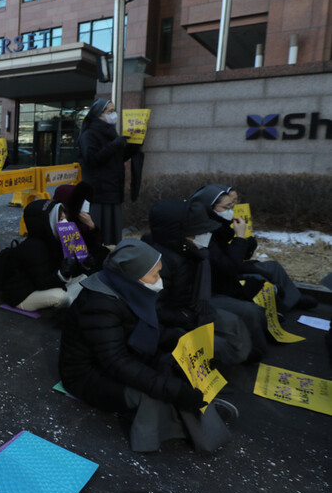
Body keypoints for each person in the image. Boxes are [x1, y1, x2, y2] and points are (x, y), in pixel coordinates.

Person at [59, 239, 236, 453]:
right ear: (133, 276)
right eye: (155, 275)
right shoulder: (99, 305)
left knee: (171, 365)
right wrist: (171, 390)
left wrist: (176, 339)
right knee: (155, 394)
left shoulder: (123, 287)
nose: (159, 281)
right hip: (86, 376)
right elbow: (116, 362)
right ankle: (196, 422)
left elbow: (139, 328)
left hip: (116, 357)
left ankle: (200, 410)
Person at [143, 200, 264, 365]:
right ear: (176, 233)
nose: (204, 235)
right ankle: (228, 367)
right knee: (220, 343)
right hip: (179, 318)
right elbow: (156, 310)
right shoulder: (159, 263)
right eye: (196, 232)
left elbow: (222, 267)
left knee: (238, 319)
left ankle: (244, 352)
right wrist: (188, 318)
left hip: (196, 304)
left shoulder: (193, 251)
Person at [190, 184, 318, 312]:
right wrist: (239, 237)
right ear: (209, 208)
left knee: (273, 267)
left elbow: (239, 256)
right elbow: (228, 266)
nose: (231, 211)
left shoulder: (220, 225)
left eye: (233, 205)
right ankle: (278, 308)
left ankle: (292, 299)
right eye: (226, 207)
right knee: (259, 278)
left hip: (230, 268)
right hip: (219, 281)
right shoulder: (202, 233)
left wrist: (246, 240)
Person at [0, 199, 90, 312]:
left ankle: (70, 302)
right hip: (23, 295)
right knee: (61, 296)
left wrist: (82, 261)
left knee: (84, 279)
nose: (65, 222)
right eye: (60, 219)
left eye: (65, 218)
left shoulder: (56, 239)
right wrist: (63, 273)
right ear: (46, 223)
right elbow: (42, 283)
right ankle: (68, 305)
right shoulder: (34, 248)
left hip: (45, 284)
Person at [77, 99, 141, 244]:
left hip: (112, 189)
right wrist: (115, 145)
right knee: (98, 235)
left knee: (111, 237)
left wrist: (133, 147)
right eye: (110, 111)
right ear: (98, 114)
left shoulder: (111, 133)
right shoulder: (89, 135)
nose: (114, 115)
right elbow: (92, 160)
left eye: (114, 111)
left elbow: (116, 158)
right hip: (99, 192)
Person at [53, 182, 109, 268]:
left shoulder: (79, 220)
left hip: (83, 262)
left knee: (104, 252)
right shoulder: (57, 222)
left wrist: (92, 227)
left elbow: (95, 244)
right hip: (65, 265)